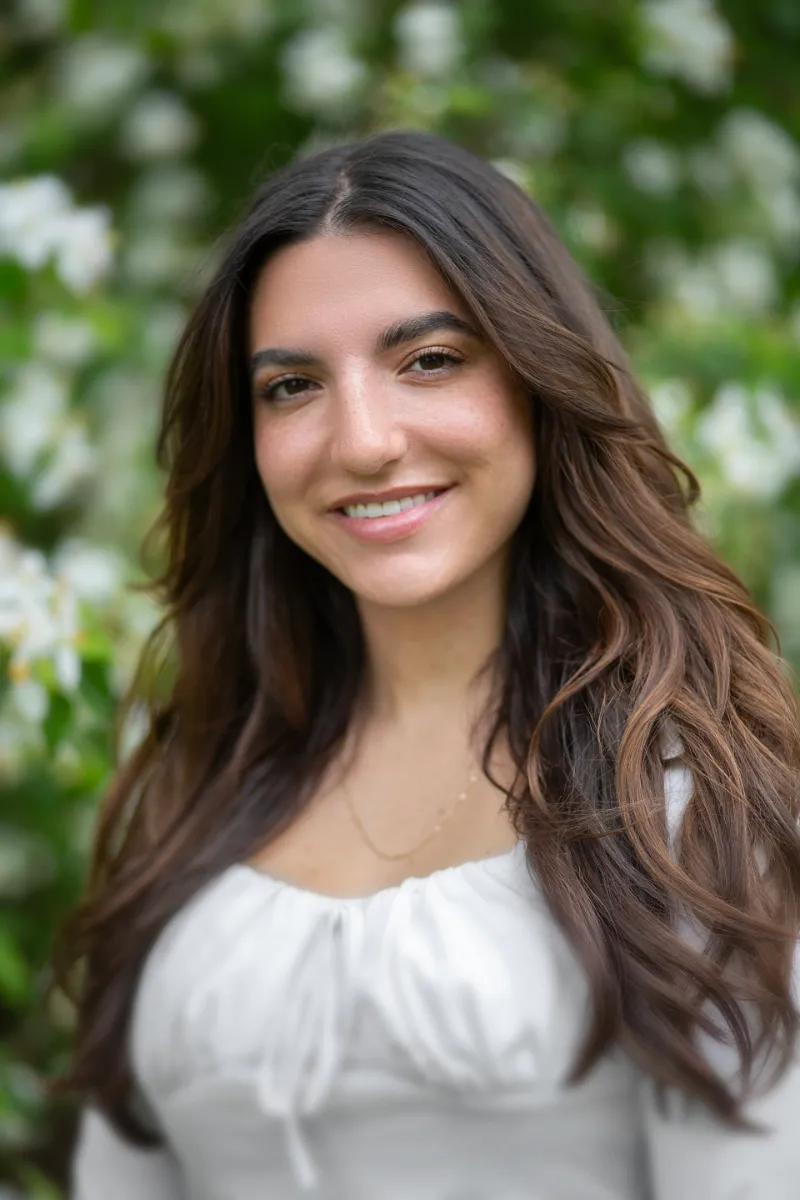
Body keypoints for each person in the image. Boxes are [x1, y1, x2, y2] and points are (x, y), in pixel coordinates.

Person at [53, 129, 800, 1199]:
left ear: (538, 382)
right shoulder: (205, 785)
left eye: (429, 361)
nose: (360, 440)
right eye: (292, 386)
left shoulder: (681, 807)